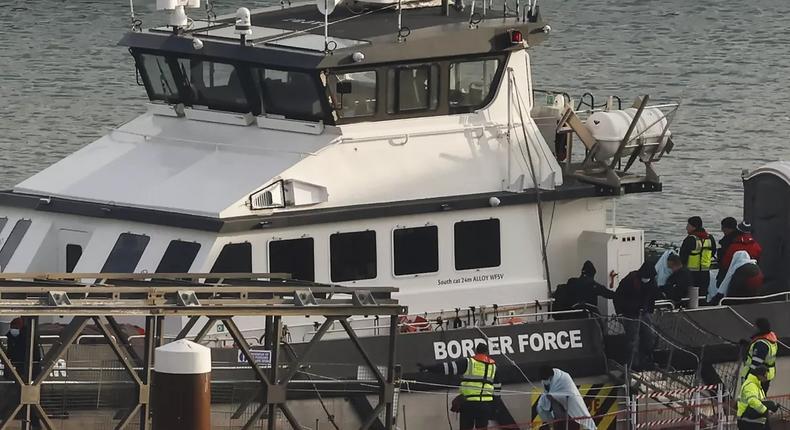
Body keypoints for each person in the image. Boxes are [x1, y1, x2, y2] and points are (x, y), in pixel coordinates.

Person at [419, 343, 497, 429]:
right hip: (485, 405)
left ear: (476, 351)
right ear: (486, 352)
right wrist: (495, 406)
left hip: (468, 404)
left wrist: (428, 368)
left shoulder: (468, 362)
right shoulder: (493, 366)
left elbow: (446, 368)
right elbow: (497, 386)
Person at [614, 262, 660, 370]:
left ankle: (645, 359)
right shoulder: (630, 280)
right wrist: (620, 313)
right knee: (632, 341)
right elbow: (617, 297)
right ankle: (632, 365)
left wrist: (650, 310)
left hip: (644, 313)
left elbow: (652, 296)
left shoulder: (651, 281)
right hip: (630, 314)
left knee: (649, 336)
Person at [2, 318, 41, 429]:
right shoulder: (13, 337)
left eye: (15, 328)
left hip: (28, 371)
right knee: (23, 399)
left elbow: (35, 355)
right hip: (20, 371)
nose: (13, 330)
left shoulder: (26, 338)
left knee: (26, 399)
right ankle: (33, 423)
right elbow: (10, 354)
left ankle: (34, 423)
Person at [536, 366, 596, 430]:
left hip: (570, 413)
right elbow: (547, 394)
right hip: (557, 416)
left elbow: (569, 393)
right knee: (540, 407)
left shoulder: (563, 378)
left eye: (546, 379)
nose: (544, 381)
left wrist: (553, 395)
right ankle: (551, 425)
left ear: (551, 376)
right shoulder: (546, 382)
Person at [679, 216, 717, 293]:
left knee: (690, 295)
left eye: (688, 226)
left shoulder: (690, 239)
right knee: (703, 294)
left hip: (691, 273)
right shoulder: (710, 238)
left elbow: (682, 256)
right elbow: (713, 252)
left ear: (694, 227)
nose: (686, 228)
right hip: (705, 273)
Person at [739, 318, 777, 393]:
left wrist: (748, 378)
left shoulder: (761, 345)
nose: (753, 327)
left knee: (753, 399)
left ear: (760, 329)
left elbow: (756, 364)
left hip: (758, 378)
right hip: (766, 374)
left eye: (755, 326)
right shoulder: (769, 340)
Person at [737, 365, 779, 430]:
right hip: (745, 419)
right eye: (765, 376)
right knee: (769, 404)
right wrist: (765, 410)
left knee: (770, 404)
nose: (766, 378)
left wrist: (770, 408)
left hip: (753, 419)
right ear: (759, 375)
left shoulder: (757, 384)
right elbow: (752, 401)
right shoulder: (750, 385)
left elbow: (762, 401)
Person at [717, 217, 739, 285]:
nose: (722, 230)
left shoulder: (727, 242)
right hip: (739, 273)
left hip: (727, 271)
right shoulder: (741, 239)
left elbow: (724, 260)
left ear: (727, 228)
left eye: (723, 228)